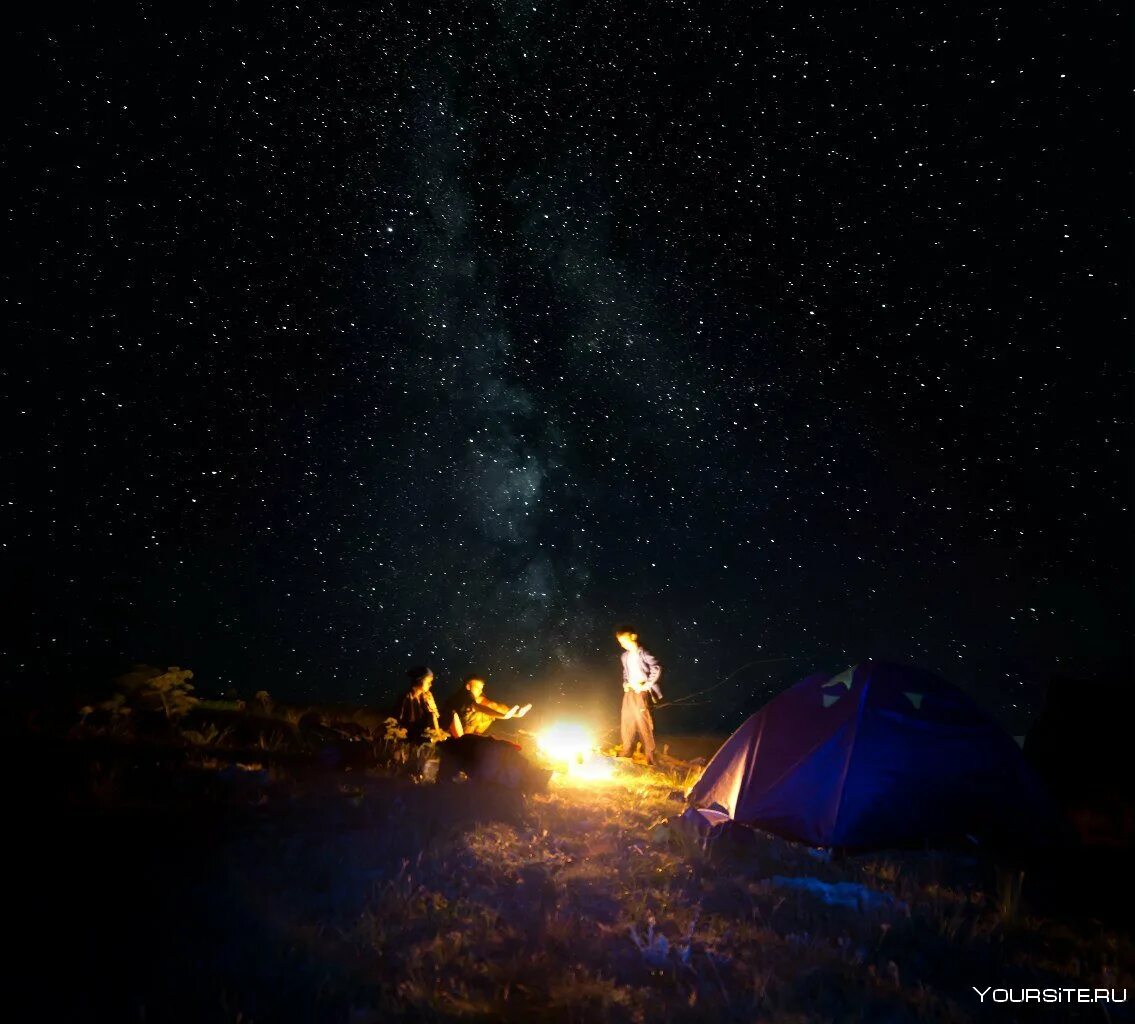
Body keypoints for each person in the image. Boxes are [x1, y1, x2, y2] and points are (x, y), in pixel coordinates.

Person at [615, 625, 662, 765]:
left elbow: (656, 667)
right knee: (627, 720)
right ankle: (626, 751)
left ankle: (650, 756)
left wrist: (646, 685)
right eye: (620, 641)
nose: (622, 644)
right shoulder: (625, 656)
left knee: (644, 723)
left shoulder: (644, 653)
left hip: (641, 692)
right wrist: (625, 683)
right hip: (630, 692)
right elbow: (626, 672)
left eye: (624, 640)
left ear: (633, 637)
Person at [441, 675, 532, 738]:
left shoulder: (479, 697)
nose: (480, 691)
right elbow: (476, 707)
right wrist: (503, 716)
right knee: (482, 711)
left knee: (488, 709)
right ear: (468, 687)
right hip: (452, 734)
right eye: (477, 688)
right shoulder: (464, 696)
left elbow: (494, 706)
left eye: (481, 689)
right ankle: (462, 743)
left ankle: (474, 740)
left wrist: (516, 714)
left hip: (471, 733)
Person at [395, 665, 440, 741]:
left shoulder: (428, 696)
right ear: (420, 680)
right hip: (410, 732)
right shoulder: (406, 697)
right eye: (428, 682)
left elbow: (434, 715)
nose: (430, 684)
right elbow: (399, 719)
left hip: (426, 730)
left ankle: (436, 738)